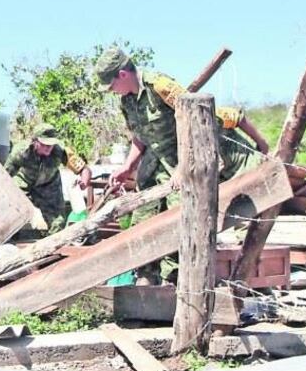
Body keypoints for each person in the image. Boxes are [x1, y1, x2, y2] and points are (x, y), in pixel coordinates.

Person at [93, 46, 269, 284]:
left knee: (181, 218)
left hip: (197, 155)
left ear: (123, 74)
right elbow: (140, 137)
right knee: (143, 217)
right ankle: (147, 277)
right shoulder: (127, 102)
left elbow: (194, 120)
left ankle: (182, 280)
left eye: (111, 85)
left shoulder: (160, 86)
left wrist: (184, 166)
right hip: (163, 164)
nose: (112, 92)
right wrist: (127, 167)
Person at [4, 123, 88, 239]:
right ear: (35, 141)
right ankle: (12, 242)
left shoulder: (59, 151)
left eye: (51, 144)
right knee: (13, 218)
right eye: (45, 144)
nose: (49, 148)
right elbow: (5, 177)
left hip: (49, 188)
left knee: (58, 223)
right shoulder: (20, 152)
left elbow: (84, 169)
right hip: (24, 186)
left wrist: (83, 181)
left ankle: (51, 247)